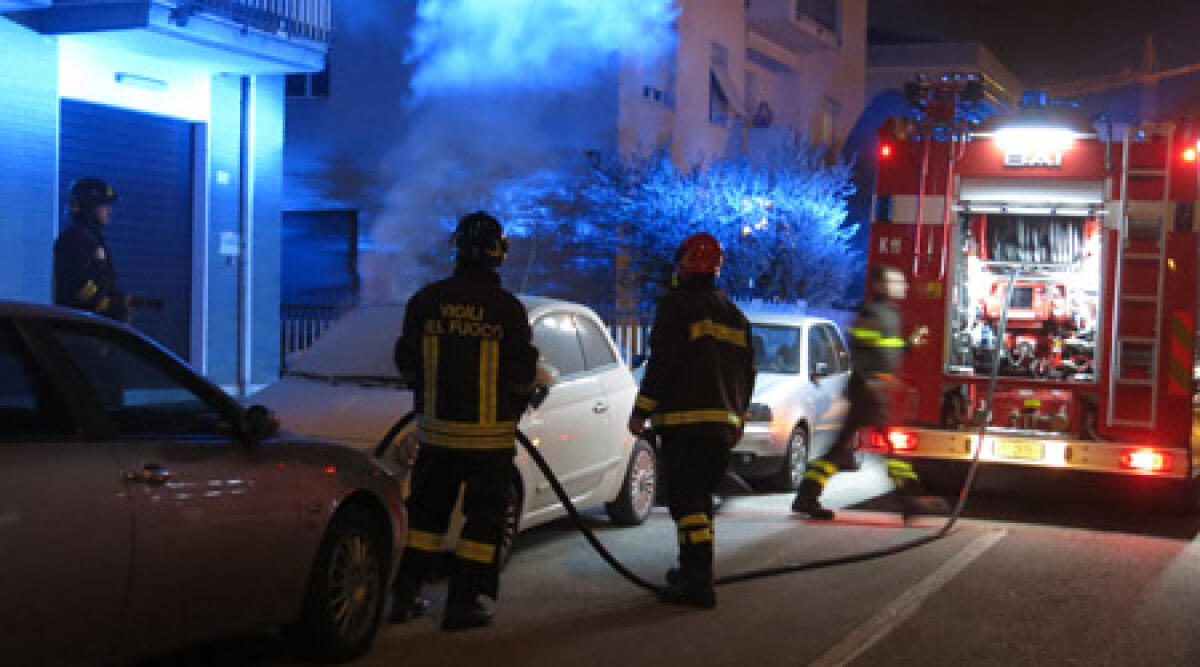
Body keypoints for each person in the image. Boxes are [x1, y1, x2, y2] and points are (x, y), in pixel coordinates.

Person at [389, 211, 539, 631]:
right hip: (489, 442)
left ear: (457, 249)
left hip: (436, 437)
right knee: (482, 527)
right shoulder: (507, 309)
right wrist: (522, 396)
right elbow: (522, 372)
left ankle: (403, 598)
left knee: (424, 521)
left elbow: (406, 362)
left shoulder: (425, 301)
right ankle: (462, 604)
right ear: (499, 254)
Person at [628, 232, 755, 609]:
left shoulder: (676, 307)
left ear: (682, 264)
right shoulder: (734, 314)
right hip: (719, 429)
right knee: (700, 504)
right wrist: (738, 419)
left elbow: (663, 364)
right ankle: (694, 572)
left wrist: (640, 412)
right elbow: (748, 374)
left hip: (683, 424)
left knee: (687, 505)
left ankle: (697, 583)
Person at [790, 264, 944, 521]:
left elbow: (885, 349)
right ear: (881, 286)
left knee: (841, 448)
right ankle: (908, 499)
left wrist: (908, 344)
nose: (903, 286)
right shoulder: (873, 312)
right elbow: (860, 348)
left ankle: (807, 494)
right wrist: (872, 380)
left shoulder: (889, 313)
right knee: (891, 446)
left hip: (872, 389)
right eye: (897, 281)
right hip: (868, 390)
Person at [54, 178, 130, 322]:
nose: (109, 211)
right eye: (104, 205)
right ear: (89, 207)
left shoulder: (92, 239)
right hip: (79, 327)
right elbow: (78, 285)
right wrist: (108, 306)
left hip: (91, 325)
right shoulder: (75, 239)